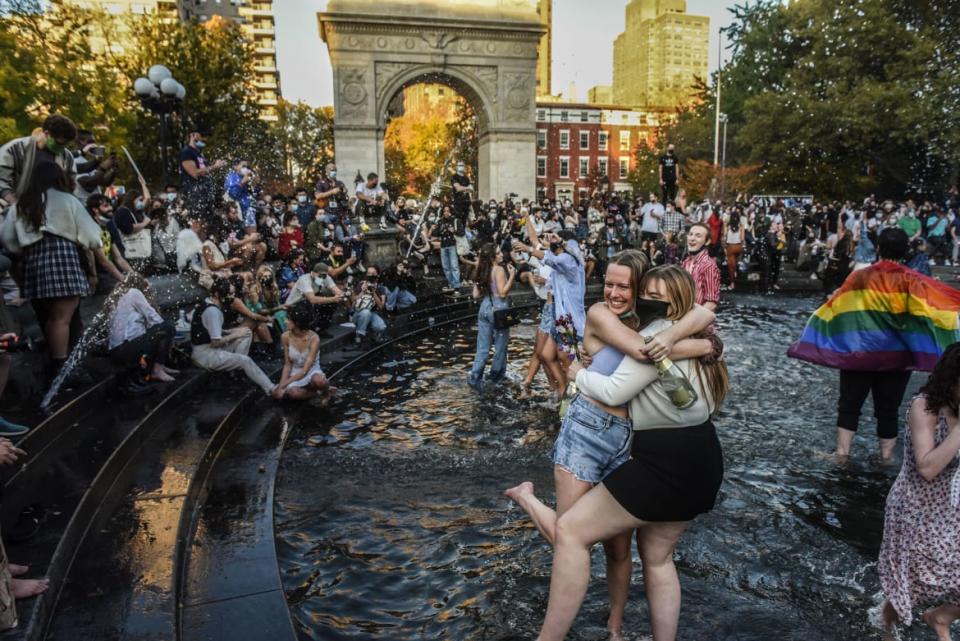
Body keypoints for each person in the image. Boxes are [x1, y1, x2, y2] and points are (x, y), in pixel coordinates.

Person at [506, 254, 717, 639]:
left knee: (619, 551)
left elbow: (697, 314)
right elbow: (644, 353)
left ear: (640, 292)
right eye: (609, 283)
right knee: (573, 536)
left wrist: (689, 340)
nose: (614, 293)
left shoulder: (652, 326)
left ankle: (614, 628)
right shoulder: (603, 314)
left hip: (629, 440)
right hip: (588, 431)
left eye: (626, 287)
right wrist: (698, 345)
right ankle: (528, 499)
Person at [788, 228, 960, 462]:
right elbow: (928, 312)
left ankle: (841, 454)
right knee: (889, 409)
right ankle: (886, 457)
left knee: (849, 404)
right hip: (897, 358)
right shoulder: (912, 280)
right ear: (905, 251)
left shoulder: (860, 277)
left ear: (878, 248)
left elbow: (838, 305)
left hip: (859, 354)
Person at [876, 344, 960, 639]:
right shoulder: (924, 407)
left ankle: (940, 618)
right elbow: (926, 468)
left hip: (952, 506)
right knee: (910, 582)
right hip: (915, 509)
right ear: (952, 381)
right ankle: (885, 625)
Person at [0, 161, 101, 376]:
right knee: (61, 318)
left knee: (50, 317)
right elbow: (92, 237)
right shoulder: (67, 200)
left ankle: (57, 363)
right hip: (63, 257)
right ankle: (61, 369)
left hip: (32, 259)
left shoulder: (21, 204)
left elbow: (7, 238)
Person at [190, 278, 275, 396]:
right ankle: (271, 388)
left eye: (233, 293)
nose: (232, 297)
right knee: (245, 360)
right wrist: (234, 335)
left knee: (246, 332)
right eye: (229, 294)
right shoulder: (212, 311)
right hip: (205, 355)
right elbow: (215, 342)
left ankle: (236, 370)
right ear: (217, 294)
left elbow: (214, 331)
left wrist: (232, 332)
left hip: (210, 348)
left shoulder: (209, 303)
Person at [106, 273, 178, 383]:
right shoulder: (134, 293)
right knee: (167, 327)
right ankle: (157, 369)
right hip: (125, 349)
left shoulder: (118, 296)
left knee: (161, 329)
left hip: (116, 350)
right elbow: (155, 319)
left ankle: (160, 366)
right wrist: (151, 300)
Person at [0, 114, 78, 205]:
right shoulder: (15, 149)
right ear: (46, 133)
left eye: (66, 144)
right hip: (11, 207)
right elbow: (1, 180)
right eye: (59, 142)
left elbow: (71, 184)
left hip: (49, 211)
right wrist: (15, 205)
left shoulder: (66, 157)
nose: (62, 147)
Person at [468, 243, 516, 389]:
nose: (501, 254)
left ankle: (474, 378)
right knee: (500, 347)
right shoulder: (498, 269)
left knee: (482, 347)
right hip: (499, 308)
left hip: (484, 307)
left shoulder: (481, 269)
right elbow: (502, 293)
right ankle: (495, 378)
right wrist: (512, 275)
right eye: (498, 253)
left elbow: (475, 295)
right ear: (492, 256)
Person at [273, 303, 332, 403]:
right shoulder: (285, 337)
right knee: (291, 394)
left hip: (311, 369)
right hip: (295, 371)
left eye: (288, 319)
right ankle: (315, 393)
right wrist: (281, 385)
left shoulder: (314, 338)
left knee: (319, 381)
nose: (285, 321)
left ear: (297, 323)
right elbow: (287, 364)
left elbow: (305, 370)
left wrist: (283, 385)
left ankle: (326, 392)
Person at [179, 127, 226, 222]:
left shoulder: (199, 154)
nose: (204, 139)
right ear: (193, 135)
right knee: (198, 224)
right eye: (202, 136)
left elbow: (205, 172)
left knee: (207, 225)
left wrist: (215, 166)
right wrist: (215, 167)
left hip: (205, 195)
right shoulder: (186, 152)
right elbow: (194, 173)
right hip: (194, 195)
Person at [286, 262, 346, 332]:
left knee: (330, 302)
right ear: (313, 272)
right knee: (312, 303)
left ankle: (321, 328)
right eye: (320, 276)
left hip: (309, 303)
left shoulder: (326, 278)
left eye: (324, 276)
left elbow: (337, 291)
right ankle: (307, 330)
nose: (322, 278)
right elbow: (312, 299)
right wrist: (333, 299)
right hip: (295, 305)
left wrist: (342, 295)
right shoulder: (304, 279)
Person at [681, 223, 720, 312]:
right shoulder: (685, 262)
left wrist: (689, 320)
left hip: (698, 323)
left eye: (698, 236)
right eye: (690, 234)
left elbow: (711, 303)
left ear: (707, 241)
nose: (692, 238)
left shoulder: (709, 266)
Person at [352, 266, 387, 345]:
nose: (370, 276)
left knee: (381, 327)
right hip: (359, 311)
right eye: (369, 273)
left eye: (373, 274)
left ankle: (371, 333)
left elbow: (381, 306)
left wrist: (373, 292)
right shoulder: (361, 284)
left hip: (372, 312)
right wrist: (362, 291)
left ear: (377, 275)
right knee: (365, 313)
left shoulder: (381, 288)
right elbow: (353, 300)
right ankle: (359, 334)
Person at [224, 158, 259, 234]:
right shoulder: (231, 177)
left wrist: (255, 183)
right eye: (243, 166)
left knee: (253, 236)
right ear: (235, 166)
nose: (246, 168)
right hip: (238, 212)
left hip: (249, 209)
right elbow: (233, 194)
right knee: (249, 236)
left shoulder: (247, 176)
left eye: (247, 167)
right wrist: (243, 181)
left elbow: (255, 193)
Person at [431, 205, 462, 292]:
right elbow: (436, 234)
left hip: (452, 245)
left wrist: (454, 231)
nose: (446, 212)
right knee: (446, 267)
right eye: (444, 211)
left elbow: (462, 233)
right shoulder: (440, 221)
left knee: (454, 266)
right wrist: (434, 229)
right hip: (443, 246)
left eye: (448, 211)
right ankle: (451, 283)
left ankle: (456, 286)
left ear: (451, 211)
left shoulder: (455, 220)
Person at [723, 209, 745, 290]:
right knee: (736, 261)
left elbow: (724, 236)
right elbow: (742, 238)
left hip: (730, 246)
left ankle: (732, 283)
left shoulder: (727, 226)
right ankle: (736, 270)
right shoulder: (741, 226)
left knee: (730, 266)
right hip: (738, 246)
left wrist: (724, 247)